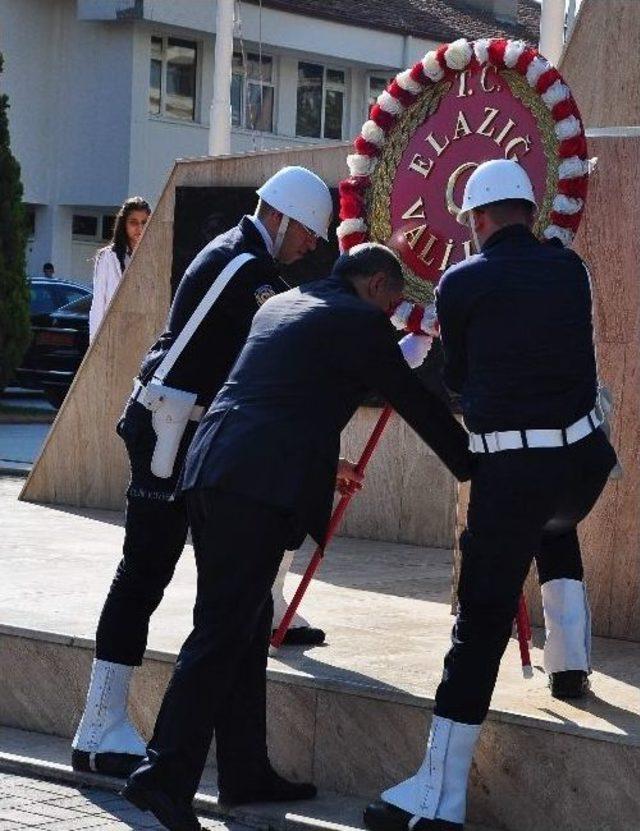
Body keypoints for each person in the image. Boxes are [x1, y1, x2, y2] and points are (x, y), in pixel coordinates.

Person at [121, 243, 474, 831]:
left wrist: (322, 460)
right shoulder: (358, 319)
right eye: (393, 299)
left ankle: (244, 768)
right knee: (222, 628)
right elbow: (413, 400)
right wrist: (475, 467)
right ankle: (163, 776)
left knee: (247, 620)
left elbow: (289, 392)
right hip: (255, 485)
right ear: (377, 285)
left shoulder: (284, 304)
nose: (392, 313)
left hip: (213, 469)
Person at [364, 160, 617, 831]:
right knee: (555, 528)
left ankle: (437, 798)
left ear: (476, 219)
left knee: (479, 621)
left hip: (514, 473)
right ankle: (571, 667)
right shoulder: (570, 268)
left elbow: (464, 381)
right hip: (584, 467)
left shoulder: (462, 281)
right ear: (529, 212)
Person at [71, 166, 333, 779]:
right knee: (144, 574)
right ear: (286, 217)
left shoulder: (234, 255)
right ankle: (99, 725)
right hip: (169, 428)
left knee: (161, 577)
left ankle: (116, 728)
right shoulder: (249, 271)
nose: (312, 247)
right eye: (310, 234)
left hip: (179, 428)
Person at [89, 196, 151, 341]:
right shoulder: (108, 257)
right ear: (124, 224)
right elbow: (99, 304)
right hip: (115, 335)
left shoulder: (154, 257)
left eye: (144, 223)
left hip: (144, 334)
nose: (140, 228)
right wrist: (96, 344)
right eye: (133, 223)